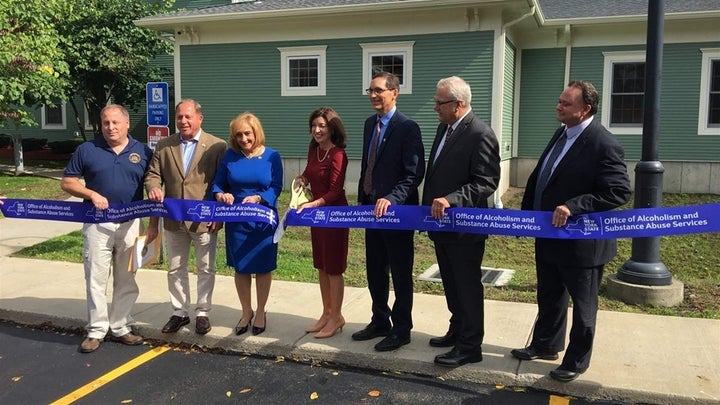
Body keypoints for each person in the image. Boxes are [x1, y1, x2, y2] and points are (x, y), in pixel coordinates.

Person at [511, 80, 631, 382]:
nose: (559, 106)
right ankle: (546, 344)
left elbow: (619, 191)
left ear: (585, 109)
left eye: (566, 103)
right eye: (560, 101)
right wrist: (528, 217)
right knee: (550, 295)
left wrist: (574, 206)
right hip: (550, 234)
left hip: (582, 243)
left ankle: (576, 360)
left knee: (583, 307)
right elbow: (545, 176)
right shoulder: (562, 133)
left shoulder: (603, 143)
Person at [60, 104, 153, 353]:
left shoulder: (142, 151)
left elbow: (152, 180)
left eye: (115, 123)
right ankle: (96, 330)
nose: (110, 128)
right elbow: (67, 182)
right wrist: (91, 193)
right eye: (105, 123)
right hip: (97, 223)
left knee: (127, 278)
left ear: (126, 124)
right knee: (95, 278)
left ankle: (122, 326)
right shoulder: (87, 149)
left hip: (131, 223)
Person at [423, 76, 501, 367]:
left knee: (467, 287)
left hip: (465, 229)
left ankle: (470, 346)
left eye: (439, 103)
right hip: (442, 227)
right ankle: (457, 329)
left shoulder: (480, 134)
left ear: (459, 104)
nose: (435, 108)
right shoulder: (445, 128)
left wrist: (452, 199)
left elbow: (486, 181)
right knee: (451, 285)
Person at [353, 71, 425, 352]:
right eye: (370, 90)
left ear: (394, 93)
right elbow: (368, 166)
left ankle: (402, 328)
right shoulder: (370, 124)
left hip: (397, 214)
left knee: (400, 272)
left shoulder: (408, 127)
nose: (373, 95)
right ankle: (379, 320)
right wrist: (363, 199)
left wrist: (392, 198)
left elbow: (413, 173)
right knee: (375, 270)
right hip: (372, 212)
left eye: (378, 90)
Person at [145, 99, 227, 335]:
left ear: (200, 118)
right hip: (173, 219)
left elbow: (221, 182)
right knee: (175, 268)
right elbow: (153, 174)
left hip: (204, 219)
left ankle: (202, 312)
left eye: (188, 116)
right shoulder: (164, 146)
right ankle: (180, 312)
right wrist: (153, 187)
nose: (183, 121)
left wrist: (218, 214)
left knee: (205, 267)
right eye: (179, 117)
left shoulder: (216, 146)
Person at [212, 112, 283, 336]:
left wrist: (260, 198)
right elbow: (217, 185)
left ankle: (261, 311)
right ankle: (246, 311)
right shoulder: (230, 156)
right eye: (239, 135)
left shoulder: (272, 156)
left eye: (247, 133)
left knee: (263, 268)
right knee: (241, 269)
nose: (244, 139)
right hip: (238, 222)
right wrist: (222, 196)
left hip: (263, 222)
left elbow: (276, 187)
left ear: (256, 132)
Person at [294, 107, 350, 339]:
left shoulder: (338, 154)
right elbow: (309, 172)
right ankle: (326, 313)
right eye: (314, 125)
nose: (317, 130)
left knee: (334, 267)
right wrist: (301, 179)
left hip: (334, 216)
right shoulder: (314, 149)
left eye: (322, 126)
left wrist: (315, 203)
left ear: (332, 128)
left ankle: (337, 316)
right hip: (317, 216)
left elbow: (336, 190)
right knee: (321, 265)